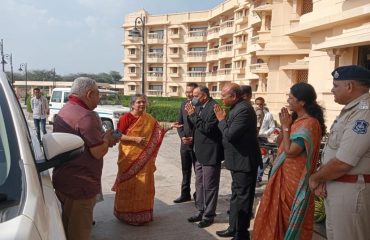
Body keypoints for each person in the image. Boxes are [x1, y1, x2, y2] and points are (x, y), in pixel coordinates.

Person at [253, 82, 326, 240]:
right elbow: (280, 142)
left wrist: (286, 127)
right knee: (275, 213)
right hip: (282, 174)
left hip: (295, 180)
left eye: (291, 98)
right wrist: (284, 126)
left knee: (288, 215)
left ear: (302, 102)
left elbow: (291, 152)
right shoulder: (295, 119)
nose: (288, 100)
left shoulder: (309, 123)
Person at [52, 77, 119, 240]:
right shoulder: (86, 116)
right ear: (89, 94)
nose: (99, 97)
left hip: (65, 179)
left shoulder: (66, 109)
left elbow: (84, 141)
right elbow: (97, 152)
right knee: (79, 232)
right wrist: (107, 140)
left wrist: (101, 139)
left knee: (67, 227)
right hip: (80, 184)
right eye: (98, 94)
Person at [309, 65, 370, 240]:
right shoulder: (353, 110)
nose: (332, 90)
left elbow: (344, 162)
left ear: (350, 86)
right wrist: (323, 178)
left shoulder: (363, 113)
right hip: (338, 187)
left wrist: (316, 178)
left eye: (336, 86)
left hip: (351, 191)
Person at [112, 94, 180, 225]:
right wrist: (134, 139)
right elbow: (116, 135)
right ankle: (125, 214)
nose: (142, 105)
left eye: (144, 102)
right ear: (132, 104)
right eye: (139, 102)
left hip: (145, 161)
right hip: (128, 158)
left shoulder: (148, 118)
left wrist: (171, 126)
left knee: (144, 186)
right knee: (128, 186)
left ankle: (142, 215)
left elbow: (158, 130)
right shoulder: (126, 118)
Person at [214, 83, 261, 240]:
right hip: (237, 162)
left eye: (223, 96)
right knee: (236, 196)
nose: (221, 99)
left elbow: (230, 135)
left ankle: (241, 234)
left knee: (243, 199)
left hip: (245, 162)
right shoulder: (237, 107)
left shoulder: (244, 110)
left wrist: (221, 120)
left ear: (233, 96)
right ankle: (233, 228)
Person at [185, 85, 223, 228]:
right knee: (199, 184)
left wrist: (192, 115)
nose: (193, 98)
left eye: (196, 95)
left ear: (204, 96)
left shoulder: (214, 108)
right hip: (198, 152)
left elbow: (207, 128)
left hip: (210, 153)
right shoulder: (200, 106)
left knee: (210, 186)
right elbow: (197, 128)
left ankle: (209, 215)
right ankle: (200, 210)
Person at [174, 82, 198, 203]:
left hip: (197, 144)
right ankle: (185, 194)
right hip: (185, 144)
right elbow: (179, 124)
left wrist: (193, 138)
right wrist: (182, 136)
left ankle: (198, 194)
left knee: (198, 171)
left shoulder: (201, 106)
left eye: (191, 92)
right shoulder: (183, 104)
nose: (188, 94)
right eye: (187, 92)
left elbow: (201, 127)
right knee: (185, 170)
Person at [255, 97, 276, 182]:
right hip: (252, 138)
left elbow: (272, 127)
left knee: (263, 159)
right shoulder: (251, 113)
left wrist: (265, 133)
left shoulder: (268, 115)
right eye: (257, 104)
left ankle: (257, 177)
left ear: (263, 104)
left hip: (262, 138)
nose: (259, 106)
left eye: (261, 104)